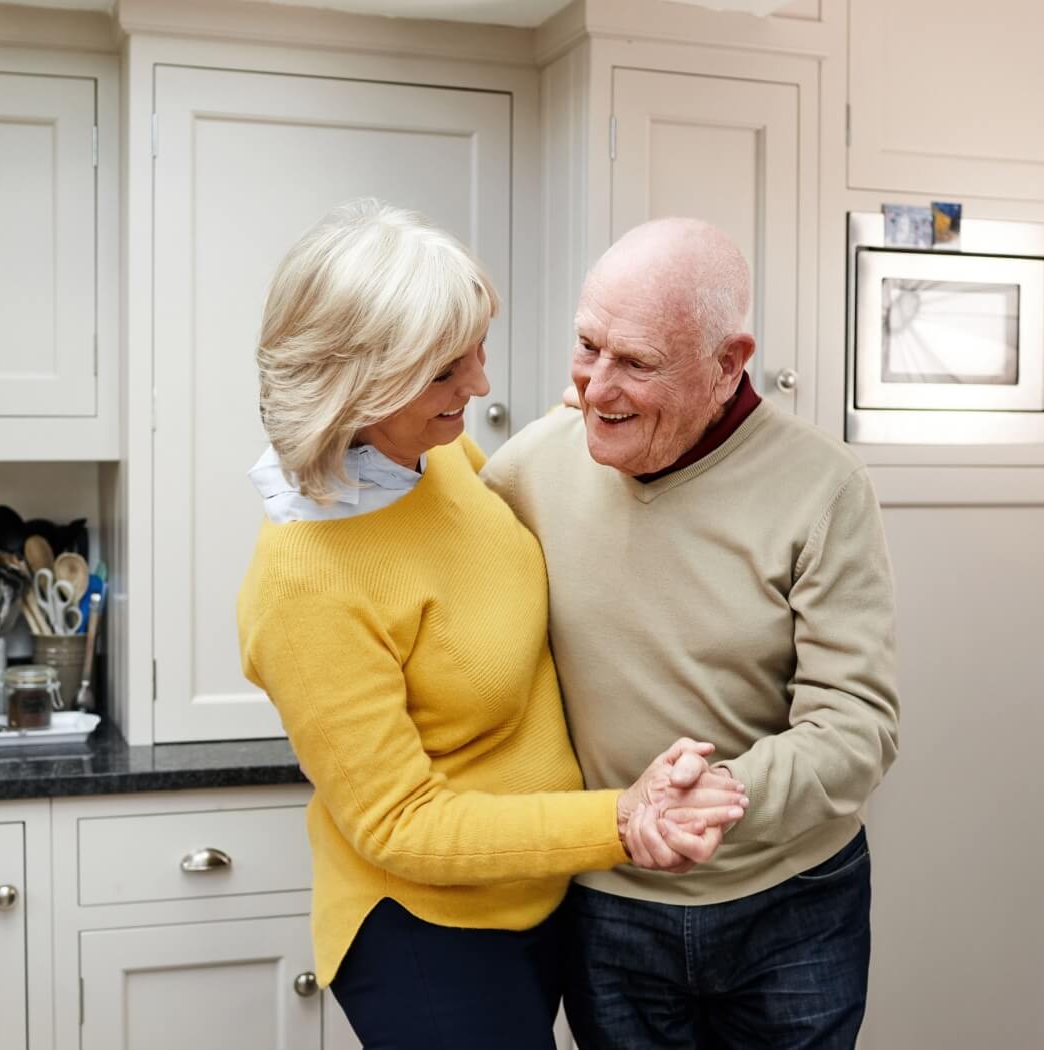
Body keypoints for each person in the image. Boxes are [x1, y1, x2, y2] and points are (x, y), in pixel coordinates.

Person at [235, 199, 750, 1050]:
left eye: (475, 353)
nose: (478, 385)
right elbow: (405, 825)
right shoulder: (304, 585)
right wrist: (618, 821)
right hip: (429, 935)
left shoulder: (429, 456)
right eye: (446, 372)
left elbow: (503, 510)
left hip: (541, 894)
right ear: (361, 385)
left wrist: (607, 402)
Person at [481, 217, 900, 1049]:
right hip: (609, 907)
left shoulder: (824, 488)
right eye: (587, 346)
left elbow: (858, 728)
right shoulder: (532, 465)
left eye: (635, 362)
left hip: (794, 904)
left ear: (727, 363)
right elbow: (422, 551)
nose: (598, 388)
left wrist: (715, 800)